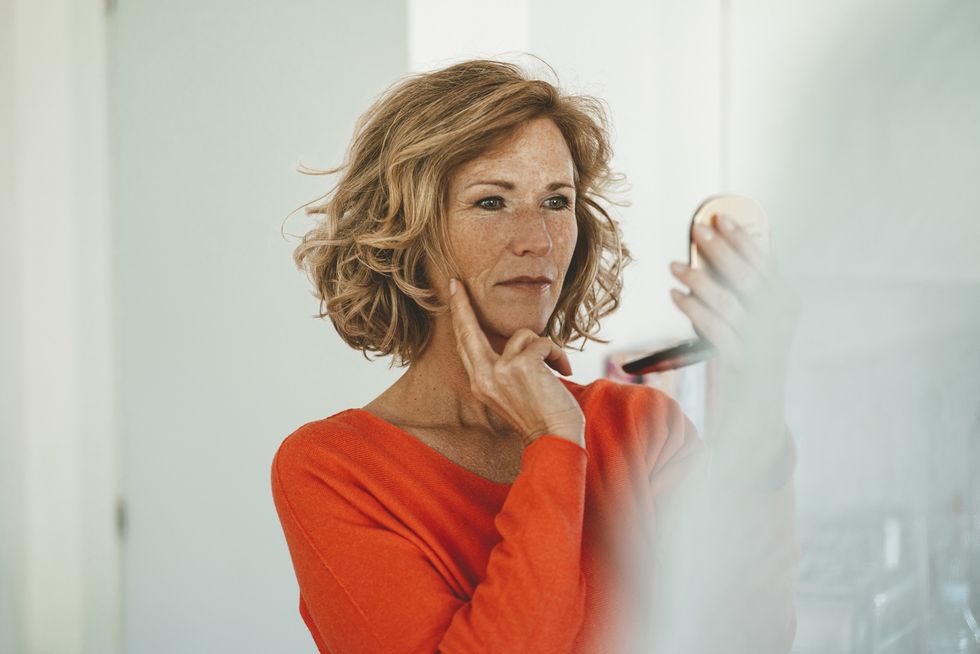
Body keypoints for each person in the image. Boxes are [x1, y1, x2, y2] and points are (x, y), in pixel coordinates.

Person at [271, 58, 801, 653]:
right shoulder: (332, 469)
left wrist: (760, 405)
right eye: (491, 202)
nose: (538, 241)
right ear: (407, 231)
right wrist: (553, 443)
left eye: (556, 201)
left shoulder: (641, 429)